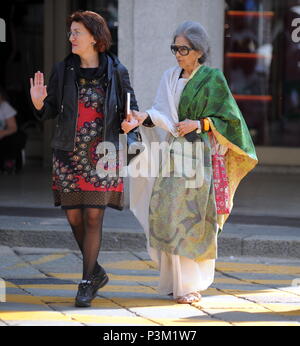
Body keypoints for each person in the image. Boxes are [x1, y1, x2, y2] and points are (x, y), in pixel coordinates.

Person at [122, 21, 258, 304]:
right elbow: (161, 113)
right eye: (174, 48)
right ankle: (175, 282)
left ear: (198, 51)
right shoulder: (169, 76)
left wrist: (199, 123)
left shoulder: (213, 78)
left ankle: (190, 286)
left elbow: (231, 121)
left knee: (192, 220)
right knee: (168, 217)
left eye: (183, 49)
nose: (177, 54)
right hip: (173, 157)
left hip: (200, 159)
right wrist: (141, 117)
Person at [30, 11, 138, 307]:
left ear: (94, 36)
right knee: (74, 216)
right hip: (68, 153)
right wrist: (39, 102)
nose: (71, 38)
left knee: (93, 215)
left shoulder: (116, 70)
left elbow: (132, 109)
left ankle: (87, 281)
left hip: (103, 154)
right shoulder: (62, 70)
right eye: (70, 33)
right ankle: (96, 271)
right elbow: (50, 109)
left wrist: (130, 123)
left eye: (77, 32)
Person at [0, 86, 23, 174]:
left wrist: (2, 133)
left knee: (16, 137)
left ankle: (9, 164)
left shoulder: (4, 106)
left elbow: (13, 127)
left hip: (3, 136)